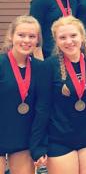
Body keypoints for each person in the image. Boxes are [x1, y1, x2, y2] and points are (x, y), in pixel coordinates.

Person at [30, 16, 86, 174]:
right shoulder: (48, 67)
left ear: (82, 36)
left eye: (73, 36)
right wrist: (38, 145)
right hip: (59, 140)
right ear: (56, 41)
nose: (69, 41)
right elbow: (42, 108)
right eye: (62, 37)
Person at [0, 16, 43, 174]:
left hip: (22, 139)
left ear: (37, 40)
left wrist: (38, 144)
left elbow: (42, 109)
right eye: (21, 35)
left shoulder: (40, 69)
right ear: (11, 36)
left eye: (32, 36)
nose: (26, 40)